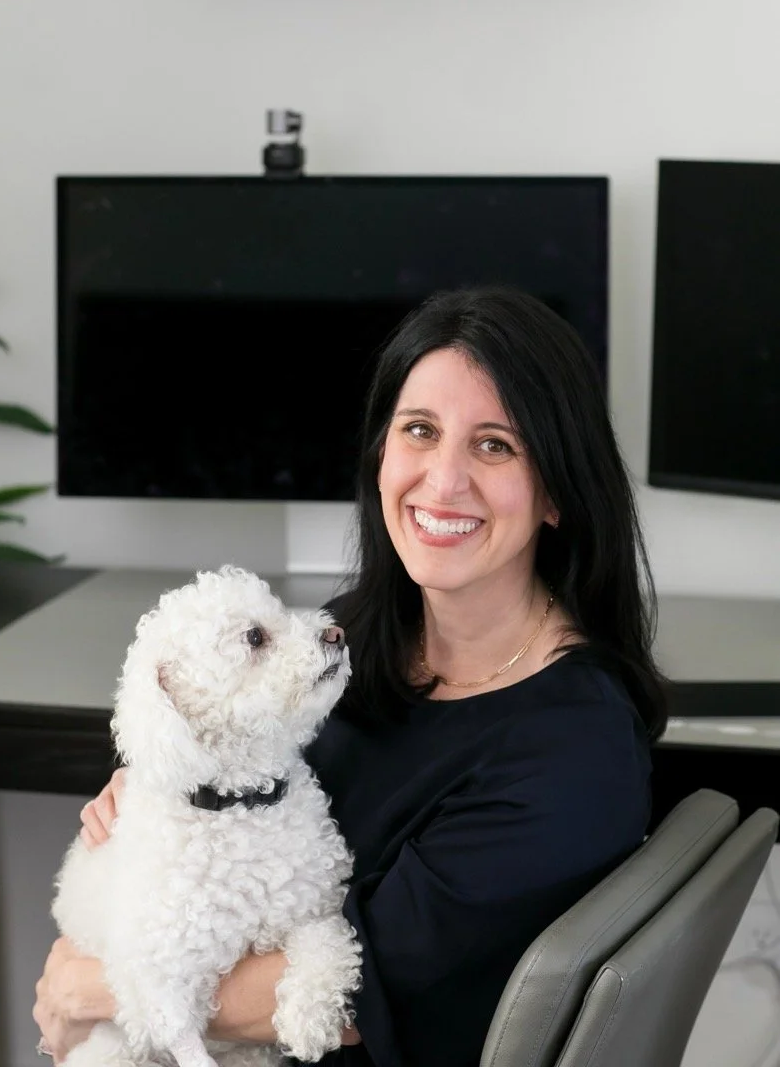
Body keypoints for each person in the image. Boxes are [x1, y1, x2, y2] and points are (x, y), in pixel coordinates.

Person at [33, 285, 668, 1066]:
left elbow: (361, 994)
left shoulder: (570, 751)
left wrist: (93, 991)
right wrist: (167, 790)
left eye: (494, 445)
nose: (442, 481)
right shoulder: (353, 633)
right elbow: (231, 779)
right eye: (419, 431)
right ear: (379, 452)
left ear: (557, 494)